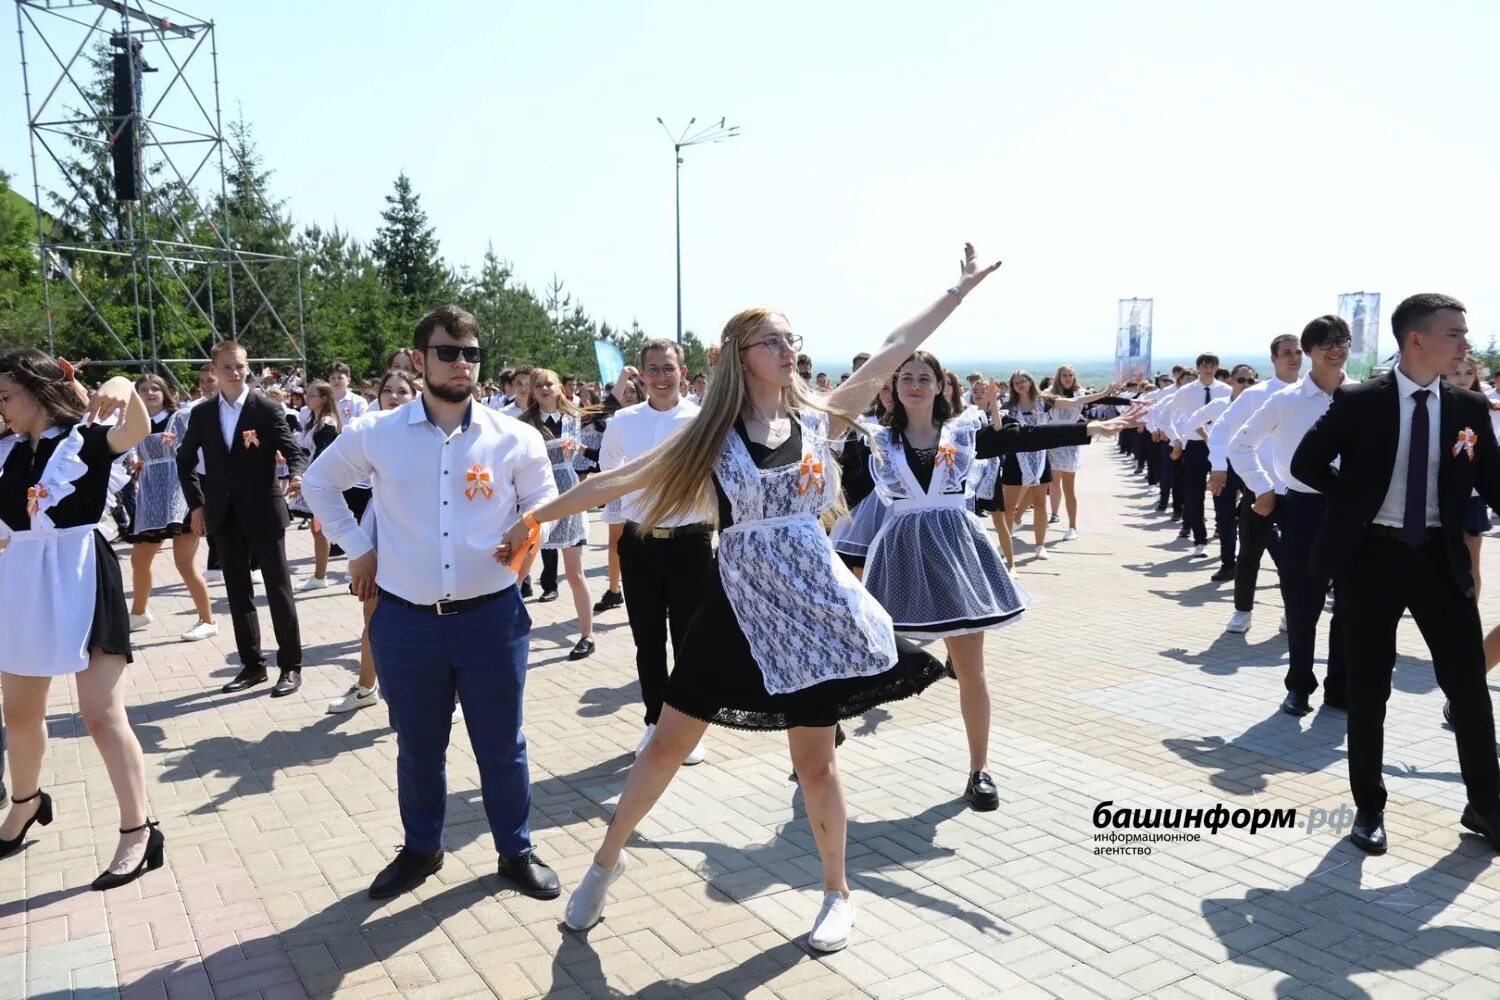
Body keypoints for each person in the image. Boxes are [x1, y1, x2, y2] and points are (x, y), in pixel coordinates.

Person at [500, 242, 1000, 952]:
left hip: (817, 609)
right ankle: (603, 866)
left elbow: (893, 349)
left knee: (817, 761)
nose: (790, 348)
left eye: (794, 338)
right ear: (741, 354)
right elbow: (617, 480)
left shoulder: (818, 417)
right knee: (668, 744)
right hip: (736, 603)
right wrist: (534, 520)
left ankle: (836, 892)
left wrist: (957, 293)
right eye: (775, 340)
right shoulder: (712, 434)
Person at [303, 305, 562, 901]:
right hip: (406, 620)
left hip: (492, 618)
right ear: (419, 360)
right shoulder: (378, 433)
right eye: (449, 352)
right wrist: (358, 547)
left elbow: (544, 502)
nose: (462, 363)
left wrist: (526, 536)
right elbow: (317, 483)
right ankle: (421, 849)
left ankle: (515, 850)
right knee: (419, 747)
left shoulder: (514, 437)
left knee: (502, 744)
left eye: (471, 353)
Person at [860, 355, 1127, 810]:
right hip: (903, 559)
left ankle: (979, 769)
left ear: (942, 385)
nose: (916, 386)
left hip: (958, 555)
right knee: (867, 647)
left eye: (926, 378)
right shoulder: (876, 440)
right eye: (907, 378)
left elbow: (1019, 437)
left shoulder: (962, 434)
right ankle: (833, 724)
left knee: (972, 673)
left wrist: (1089, 430)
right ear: (895, 386)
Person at [1291, 293, 1500, 855]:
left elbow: (1496, 483)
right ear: (1417, 340)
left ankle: (1486, 805)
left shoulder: (1467, 408)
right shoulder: (1360, 401)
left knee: (1469, 690)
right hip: (1371, 559)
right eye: (1455, 333)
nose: (1466, 343)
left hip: (1439, 557)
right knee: (1369, 690)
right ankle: (1369, 808)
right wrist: (1353, 505)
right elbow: (1304, 464)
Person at [0, 350, 165, 889]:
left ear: (38, 392)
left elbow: (136, 427)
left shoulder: (87, 440)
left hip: (82, 575)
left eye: (5, 396)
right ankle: (25, 802)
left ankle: (138, 830)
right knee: (19, 714)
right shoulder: (5, 454)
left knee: (101, 715)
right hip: (23, 581)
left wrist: (122, 382)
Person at [1229, 317, 1353, 716]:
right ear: (1311, 350)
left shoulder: (1365, 396)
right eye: (1326, 343)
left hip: (1354, 511)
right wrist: (1263, 486)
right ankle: (1299, 685)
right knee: (1302, 603)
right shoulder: (1287, 400)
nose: (1336, 349)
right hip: (1304, 509)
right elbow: (1241, 443)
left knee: (1352, 603)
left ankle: (1340, 686)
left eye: (1343, 341)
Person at [176, 341, 306, 697]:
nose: (236, 372)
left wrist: (296, 473)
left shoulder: (265, 407)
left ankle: (290, 666)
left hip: (264, 510)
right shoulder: (202, 414)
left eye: (241, 366)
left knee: (279, 591)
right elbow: (184, 460)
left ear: (247, 367)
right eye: (228, 367)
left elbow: (292, 448)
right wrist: (197, 505)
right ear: (214, 371)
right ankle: (252, 666)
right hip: (223, 514)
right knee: (237, 593)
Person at [597, 341, 705, 761]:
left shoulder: (701, 419)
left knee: (689, 641)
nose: (661, 377)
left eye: (669, 368)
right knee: (648, 640)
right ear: (640, 374)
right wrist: (615, 535)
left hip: (690, 543)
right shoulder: (624, 422)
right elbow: (609, 479)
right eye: (653, 369)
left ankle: (689, 729)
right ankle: (654, 722)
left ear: (683, 371)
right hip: (640, 544)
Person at [327, 369, 420, 715]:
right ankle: (366, 686)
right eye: (388, 390)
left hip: (421, 530)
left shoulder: (431, 431)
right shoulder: (372, 432)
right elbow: (344, 482)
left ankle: (445, 695)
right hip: (380, 524)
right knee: (373, 612)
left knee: (426, 615)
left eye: (403, 391)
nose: (394, 396)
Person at [1209, 335, 1303, 632]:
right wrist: (1219, 466)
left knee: (1294, 559)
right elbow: (1221, 429)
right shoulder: (1256, 395)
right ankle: (1242, 611)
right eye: (1287, 353)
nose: (1294, 358)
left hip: (1299, 491)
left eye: (1299, 352)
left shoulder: (1313, 392)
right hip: (1261, 487)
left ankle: (1292, 612)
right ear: (1274, 359)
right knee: (1249, 553)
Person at [123, 375, 217, 642]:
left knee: (184, 563)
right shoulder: (135, 424)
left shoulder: (181, 417)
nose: (150, 392)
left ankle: (207, 619)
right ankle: (139, 612)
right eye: (143, 389)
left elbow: (200, 446)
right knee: (139, 559)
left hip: (180, 493)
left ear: (166, 392)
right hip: (150, 496)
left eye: (155, 388)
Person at [519, 369, 595, 660]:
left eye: (549, 383)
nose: (544, 388)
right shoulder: (525, 423)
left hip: (569, 494)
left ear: (560, 387)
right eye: (538, 385)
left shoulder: (572, 417)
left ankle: (587, 635)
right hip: (537, 496)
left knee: (575, 572)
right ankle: (504, 634)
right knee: (520, 570)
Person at [1187, 364, 1257, 582]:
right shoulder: (1220, 405)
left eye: (1250, 381)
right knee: (1225, 517)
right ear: (1231, 382)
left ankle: (1283, 568)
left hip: (1255, 466)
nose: (1245, 385)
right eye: (1241, 380)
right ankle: (1228, 564)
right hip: (1224, 467)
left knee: (1260, 517)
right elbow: (1193, 421)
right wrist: (1211, 440)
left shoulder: (1261, 405)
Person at [1041, 366, 1121, 540]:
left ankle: (1072, 526)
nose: (1068, 378)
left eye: (1070, 375)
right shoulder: (1049, 393)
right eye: (1064, 375)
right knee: (1054, 482)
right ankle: (1054, 513)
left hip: (1071, 442)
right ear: (1058, 377)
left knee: (1069, 487)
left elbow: (1105, 400)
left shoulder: (1080, 392)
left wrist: (1128, 400)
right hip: (1053, 441)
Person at [590, 372, 643, 614]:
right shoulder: (614, 421)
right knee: (616, 543)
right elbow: (601, 410)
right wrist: (622, 378)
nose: (628, 395)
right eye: (624, 392)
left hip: (644, 488)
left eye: (632, 390)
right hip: (618, 488)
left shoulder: (648, 416)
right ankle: (614, 590)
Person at [287, 380, 344, 592]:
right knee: (319, 529)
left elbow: (322, 455)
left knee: (322, 530)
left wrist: (308, 479)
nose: (307, 398)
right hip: (315, 479)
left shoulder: (327, 423)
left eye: (312, 395)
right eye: (307, 394)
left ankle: (321, 576)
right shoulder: (314, 420)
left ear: (324, 398)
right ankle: (320, 575)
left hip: (323, 481)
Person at [999, 370, 1053, 560]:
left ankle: (1040, 545)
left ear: (1031, 381)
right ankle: (1004, 544)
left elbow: (1074, 403)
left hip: (1040, 458)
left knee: (1040, 503)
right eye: (1016, 382)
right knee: (1008, 505)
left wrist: (1103, 395)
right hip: (1016, 459)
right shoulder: (1009, 407)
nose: (1020, 384)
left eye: (1023, 380)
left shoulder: (1045, 401)